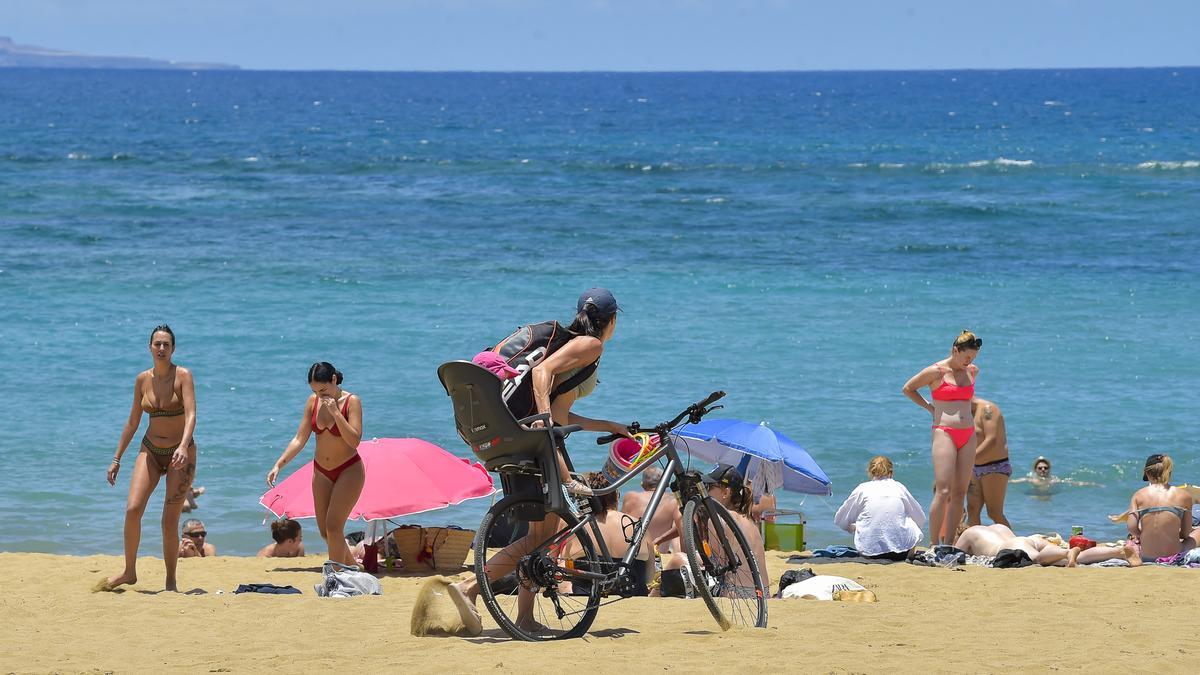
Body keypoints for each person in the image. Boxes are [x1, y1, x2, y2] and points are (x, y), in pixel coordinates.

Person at [448, 289, 631, 634]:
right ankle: (470, 588)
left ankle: (523, 616)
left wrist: (608, 426)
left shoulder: (570, 341)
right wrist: (546, 421)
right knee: (542, 537)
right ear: (612, 321)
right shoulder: (591, 345)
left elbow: (561, 411)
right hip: (536, 438)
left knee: (541, 537)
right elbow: (541, 375)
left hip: (516, 434)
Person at [98, 325, 198, 593]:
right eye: (157, 344)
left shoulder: (183, 376)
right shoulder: (142, 379)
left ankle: (171, 582)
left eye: (166, 344)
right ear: (150, 347)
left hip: (180, 453)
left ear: (173, 348)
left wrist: (184, 446)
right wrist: (116, 458)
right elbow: (133, 421)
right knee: (132, 510)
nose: (162, 348)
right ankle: (129, 571)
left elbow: (190, 415)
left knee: (169, 521)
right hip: (151, 451)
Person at [267, 362, 364, 566]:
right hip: (321, 471)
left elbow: (354, 440)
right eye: (315, 391)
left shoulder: (351, 401)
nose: (320, 395)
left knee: (333, 526)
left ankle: (337, 577)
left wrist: (336, 413)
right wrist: (279, 464)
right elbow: (299, 439)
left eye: (323, 389)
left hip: (349, 469)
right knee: (324, 531)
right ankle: (352, 568)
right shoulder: (313, 402)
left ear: (334, 380)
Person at [902, 330, 982, 545]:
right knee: (943, 489)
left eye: (972, 358)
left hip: (968, 433)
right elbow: (908, 388)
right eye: (966, 357)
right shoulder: (936, 371)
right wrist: (929, 407)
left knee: (960, 492)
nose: (969, 362)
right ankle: (934, 543)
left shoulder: (972, 371)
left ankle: (948, 544)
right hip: (944, 431)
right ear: (956, 350)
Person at [561, 472, 654, 595]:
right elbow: (649, 577)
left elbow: (566, 570)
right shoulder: (638, 525)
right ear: (616, 496)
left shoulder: (578, 526)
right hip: (633, 595)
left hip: (587, 597)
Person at [833, 456, 926, 560]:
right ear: (891, 472)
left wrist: (853, 528)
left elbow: (839, 520)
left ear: (870, 472)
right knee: (910, 520)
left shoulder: (862, 489)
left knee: (863, 522)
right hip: (901, 553)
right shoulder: (899, 487)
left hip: (869, 552)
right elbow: (920, 518)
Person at [1109, 454, 1197, 560]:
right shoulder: (1184, 495)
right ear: (1169, 472)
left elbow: (1132, 528)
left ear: (1146, 473)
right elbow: (1185, 533)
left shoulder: (1138, 494)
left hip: (1146, 554)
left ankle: (1083, 557)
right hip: (1173, 553)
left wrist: (1143, 536)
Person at [955, 524, 1140, 567]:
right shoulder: (997, 526)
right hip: (1029, 538)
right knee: (1065, 555)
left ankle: (1068, 554)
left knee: (1036, 560)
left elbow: (953, 554)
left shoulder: (969, 533)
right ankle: (1118, 551)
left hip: (1012, 546)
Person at [966, 397, 1011, 527]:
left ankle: (1013, 544)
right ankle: (973, 545)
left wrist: (967, 459)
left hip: (994, 466)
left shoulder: (987, 409)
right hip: (974, 467)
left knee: (994, 512)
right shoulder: (964, 413)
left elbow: (992, 439)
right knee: (972, 510)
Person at [620, 465, 679, 553]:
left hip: (632, 555)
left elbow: (621, 526)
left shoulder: (630, 497)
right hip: (658, 556)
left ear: (642, 485)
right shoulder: (673, 501)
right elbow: (680, 530)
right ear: (666, 484)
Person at [1011, 456, 1099, 494]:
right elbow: (1012, 482)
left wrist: (1091, 484)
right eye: (1040, 468)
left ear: (1049, 469)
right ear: (1035, 470)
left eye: (1045, 468)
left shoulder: (1053, 480)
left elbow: (1073, 482)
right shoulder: (1030, 479)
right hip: (1035, 496)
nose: (1043, 470)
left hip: (1049, 496)